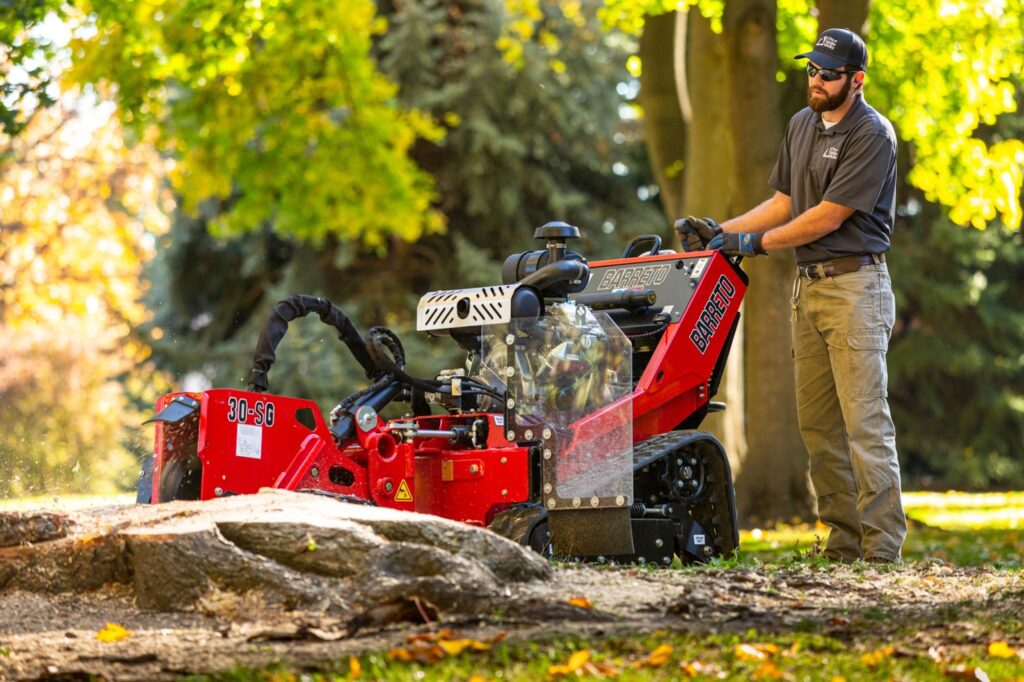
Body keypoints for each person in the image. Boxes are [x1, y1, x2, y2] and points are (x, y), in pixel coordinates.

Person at [676, 28, 906, 563]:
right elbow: (783, 202)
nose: (818, 80)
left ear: (857, 79)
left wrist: (749, 244)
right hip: (810, 290)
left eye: (830, 74)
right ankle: (842, 543)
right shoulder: (802, 124)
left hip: (856, 288)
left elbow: (828, 215)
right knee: (819, 427)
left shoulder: (872, 134)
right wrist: (720, 233)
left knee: (865, 424)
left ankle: (881, 550)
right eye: (813, 70)